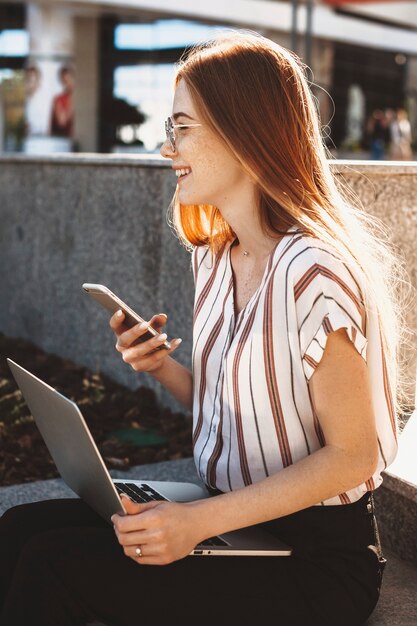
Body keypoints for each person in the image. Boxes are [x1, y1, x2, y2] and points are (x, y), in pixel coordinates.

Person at [0, 31, 408, 626]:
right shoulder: (216, 256)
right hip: (237, 519)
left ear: (244, 132)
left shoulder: (312, 270)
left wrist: (196, 525)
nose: (167, 148)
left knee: (54, 564)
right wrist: (161, 366)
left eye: (182, 128)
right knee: (19, 529)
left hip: (317, 559)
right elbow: (235, 412)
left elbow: (353, 455)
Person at [50, 65, 75, 138]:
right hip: (63, 139)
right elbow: (62, 122)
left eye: (70, 79)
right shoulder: (58, 99)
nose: (68, 84)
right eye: (65, 81)